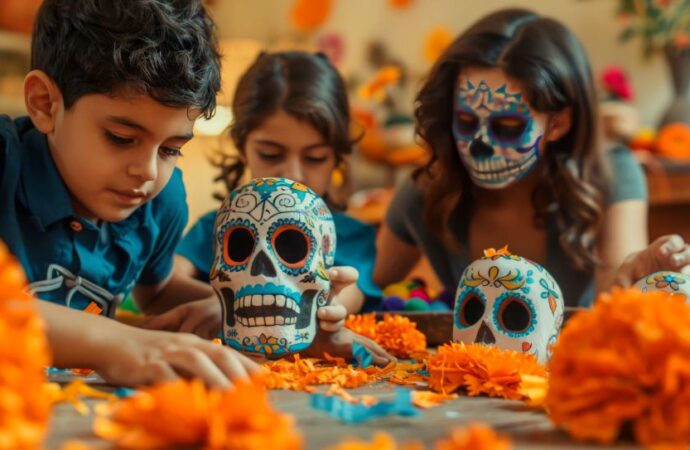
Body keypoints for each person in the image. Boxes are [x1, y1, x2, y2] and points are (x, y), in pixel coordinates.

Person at [0, 0, 258, 388]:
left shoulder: (161, 200)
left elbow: (158, 291)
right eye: (122, 138)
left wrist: (237, 309)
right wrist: (117, 343)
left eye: (171, 149)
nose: (149, 172)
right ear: (45, 104)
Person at [373, 8, 690, 307]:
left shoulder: (611, 173)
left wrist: (637, 271)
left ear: (559, 122)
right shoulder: (427, 191)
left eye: (508, 127)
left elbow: (614, 292)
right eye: (466, 123)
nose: (479, 146)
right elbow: (366, 287)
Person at [145, 51, 393, 365]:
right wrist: (221, 302)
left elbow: (343, 297)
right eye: (271, 154)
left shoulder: (354, 236)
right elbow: (164, 283)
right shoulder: (216, 228)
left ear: (337, 158)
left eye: (314, 158)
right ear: (243, 149)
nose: (292, 173)